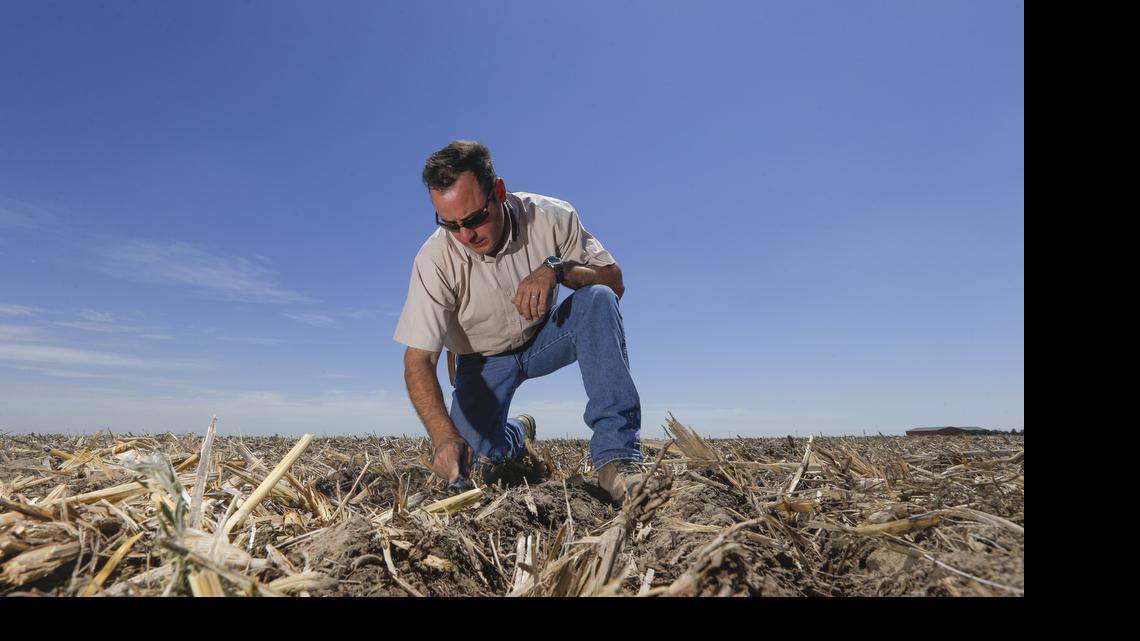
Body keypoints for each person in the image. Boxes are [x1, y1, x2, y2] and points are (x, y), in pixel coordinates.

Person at [394, 140, 644, 504]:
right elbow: (417, 360)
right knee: (474, 467)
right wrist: (444, 437)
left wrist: (557, 269)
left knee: (598, 300)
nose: (466, 236)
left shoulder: (552, 217)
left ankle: (617, 458)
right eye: (450, 224)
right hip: (481, 362)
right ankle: (517, 432)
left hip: (545, 338)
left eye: (475, 218)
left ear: (498, 191)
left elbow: (615, 283)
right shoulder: (433, 260)